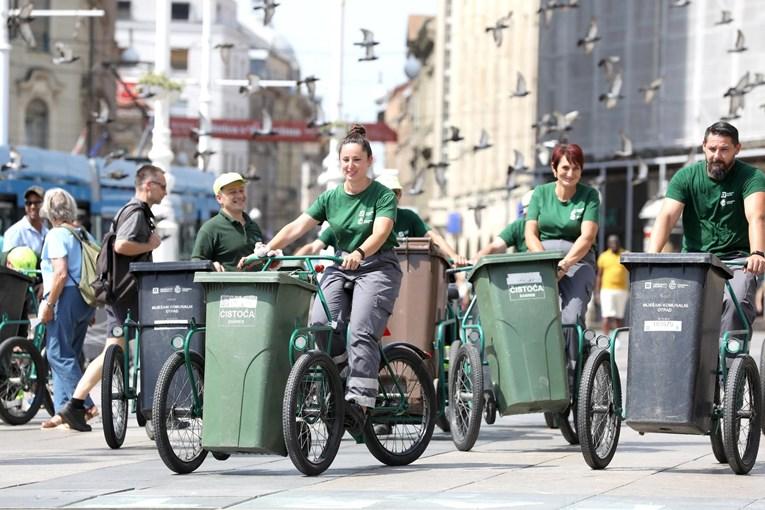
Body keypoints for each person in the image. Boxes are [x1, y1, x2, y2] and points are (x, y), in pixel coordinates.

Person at [245, 124, 401, 433]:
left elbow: (381, 232)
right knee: (320, 324)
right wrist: (265, 250)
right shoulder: (330, 198)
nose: (350, 166)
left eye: (357, 159)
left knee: (360, 330)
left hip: (377, 266)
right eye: (345, 160)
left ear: (369, 161)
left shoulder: (381, 196)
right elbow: (297, 227)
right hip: (340, 265)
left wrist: (359, 251)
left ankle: (360, 401)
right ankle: (341, 372)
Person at [52, 164, 165, 432]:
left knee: (115, 350)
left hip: (120, 291)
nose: (165, 191)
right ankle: (79, 404)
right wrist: (150, 245)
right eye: (162, 185)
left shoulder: (132, 210)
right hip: (125, 293)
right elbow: (122, 245)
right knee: (117, 348)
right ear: (148, 186)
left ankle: (76, 405)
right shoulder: (136, 212)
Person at [649, 121, 765, 338]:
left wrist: (757, 253)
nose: (716, 155)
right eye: (712, 149)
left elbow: (756, 216)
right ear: (703, 146)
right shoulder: (686, 177)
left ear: (737, 149)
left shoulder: (751, 177)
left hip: (736, 261)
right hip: (695, 260)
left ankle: (730, 362)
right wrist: (653, 255)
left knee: (735, 302)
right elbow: (666, 216)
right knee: (676, 310)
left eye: (724, 150)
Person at [525, 143, 600, 366]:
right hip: (543, 261)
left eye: (576, 168)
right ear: (554, 168)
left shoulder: (589, 196)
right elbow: (530, 233)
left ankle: (573, 373)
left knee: (571, 318)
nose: (570, 173)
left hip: (577, 263)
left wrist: (564, 265)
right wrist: (546, 264)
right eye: (565, 167)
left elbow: (587, 237)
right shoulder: (540, 193)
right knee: (537, 317)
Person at [296, 173, 467, 265]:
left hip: (402, 277)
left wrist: (454, 256)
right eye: (383, 194)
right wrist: (293, 264)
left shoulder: (408, 217)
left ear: (399, 195)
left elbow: (434, 238)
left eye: (393, 194)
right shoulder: (354, 220)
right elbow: (313, 246)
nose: (388, 199)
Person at [36, 189, 97, 431]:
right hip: (84, 299)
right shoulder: (83, 233)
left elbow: (60, 273)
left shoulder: (56, 235)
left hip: (65, 296)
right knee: (68, 354)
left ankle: (87, 404)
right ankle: (64, 411)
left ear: (48, 211)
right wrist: (90, 307)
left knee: (57, 354)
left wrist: (50, 304)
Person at [191, 172, 263, 271]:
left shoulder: (253, 226)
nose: (239, 195)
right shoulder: (210, 228)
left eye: (241, 190)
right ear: (219, 198)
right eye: (232, 192)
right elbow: (196, 264)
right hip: (227, 286)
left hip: (259, 286)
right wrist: (211, 265)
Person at [474, 189, 534, 259]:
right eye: (526, 215)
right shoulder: (519, 226)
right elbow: (495, 246)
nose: (530, 218)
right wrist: (476, 260)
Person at [595, 235, 629, 335]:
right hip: (607, 290)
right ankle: (606, 338)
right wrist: (597, 292)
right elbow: (599, 276)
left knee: (619, 316)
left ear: (619, 243)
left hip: (622, 290)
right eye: (612, 242)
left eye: (616, 242)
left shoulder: (625, 254)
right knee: (607, 315)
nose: (614, 244)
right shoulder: (603, 256)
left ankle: (617, 338)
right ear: (608, 244)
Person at [3, 186, 48, 257]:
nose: (32, 207)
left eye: (37, 203)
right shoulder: (15, 232)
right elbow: (8, 263)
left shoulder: (47, 232)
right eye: (29, 203)